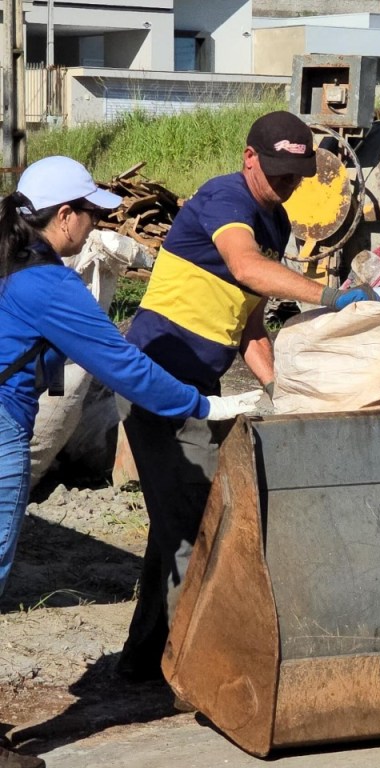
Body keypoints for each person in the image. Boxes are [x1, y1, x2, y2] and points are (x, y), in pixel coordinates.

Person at [0, 156, 261, 768]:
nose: (94, 226)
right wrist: (202, 402)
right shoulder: (48, 284)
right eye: (89, 214)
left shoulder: (9, 262)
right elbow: (124, 366)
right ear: (63, 215)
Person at [117, 111, 376, 683]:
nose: (285, 183)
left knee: (176, 520)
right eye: (277, 171)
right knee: (201, 520)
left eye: (295, 175)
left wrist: (283, 390)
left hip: (199, 387)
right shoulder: (224, 199)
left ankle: (145, 660)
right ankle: (199, 674)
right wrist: (330, 297)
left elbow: (249, 326)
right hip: (155, 382)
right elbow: (244, 266)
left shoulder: (276, 223)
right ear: (248, 158)